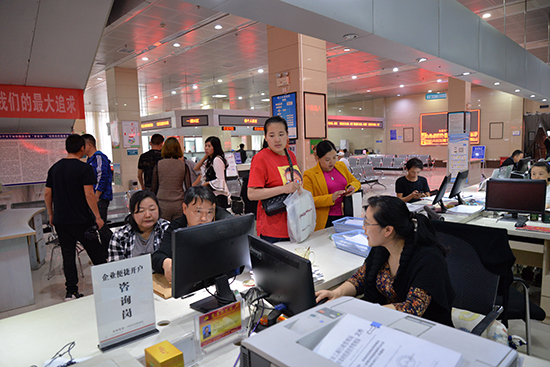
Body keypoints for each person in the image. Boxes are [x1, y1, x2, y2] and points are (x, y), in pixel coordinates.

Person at [315, 196, 455, 326]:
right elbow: (360, 279)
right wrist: (336, 293)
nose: (363, 229)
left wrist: (364, 312)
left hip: (424, 329)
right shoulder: (382, 248)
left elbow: (412, 308)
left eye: (367, 224)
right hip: (387, 324)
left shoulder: (429, 259)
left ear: (387, 230)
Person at [44, 134, 107, 300]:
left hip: (62, 222)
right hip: (83, 222)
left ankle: (70, 291)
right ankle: (109, 285)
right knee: (97, 254)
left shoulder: (54, 169)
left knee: (68, 256)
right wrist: (98, 217)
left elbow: (47, 193)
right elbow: (89, 195)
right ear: (82, 148)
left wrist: (51, 214)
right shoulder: (84, 169)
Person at [151, 186, 232, 282]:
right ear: (185, 208)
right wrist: (165, 262)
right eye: (198, 211)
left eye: (209, 212)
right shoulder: (177, 227)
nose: (204, 218)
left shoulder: (220, 224)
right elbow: (158, 256)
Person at [248, 116, 302, 243]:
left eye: (281, 134)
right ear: (265, 137)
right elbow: (252, 194)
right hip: (273, 230)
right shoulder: (261, 158)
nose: (277, 139)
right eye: (272, 135)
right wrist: (283, 189)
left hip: (294, 225)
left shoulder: (291, 155)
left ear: (288, 135)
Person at [303, 140, 361, 231]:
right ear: (317, 158)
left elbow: (356, 181)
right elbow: (308, 201)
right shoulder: (310, 175)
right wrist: (331, 198)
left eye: (334, 158)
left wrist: (352, 187)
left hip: (346, 214)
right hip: (325, 219)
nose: (332, 162)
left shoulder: (341, 166)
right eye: (327, 159)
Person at [108, 191, 169, 262]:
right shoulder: (120, 236)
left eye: (152, 209)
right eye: (141, 211)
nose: (148, 215)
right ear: (132, 213)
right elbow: (116, 268)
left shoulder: (166, 229)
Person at [82, 133, 113, 258]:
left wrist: (97, 194)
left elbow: (102, 175)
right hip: (94, 198)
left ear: (89, 145)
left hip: (100, 197)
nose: (81, 148)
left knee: (100, 225)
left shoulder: (99, 157)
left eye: (83, 145)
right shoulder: (90, 160)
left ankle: (117, 245)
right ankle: (106, 252)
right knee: (99, 225)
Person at [152, 137, 191, 221]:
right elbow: (189, 188)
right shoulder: (183, 166)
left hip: (162, 203)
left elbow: (154, 187)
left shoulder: (159, 165)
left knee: (164, 229)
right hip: (179, 203)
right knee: (178, 230)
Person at [194, 136, 231, 209]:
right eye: (206, 146)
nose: (206, 148)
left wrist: (206, 184)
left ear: (215, 147)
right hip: (212, 195)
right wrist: (205, 157)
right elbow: (196, 168)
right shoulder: (209, 161)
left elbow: (220, 180)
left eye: (209, 146)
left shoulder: (217, 160)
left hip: (219, 196)